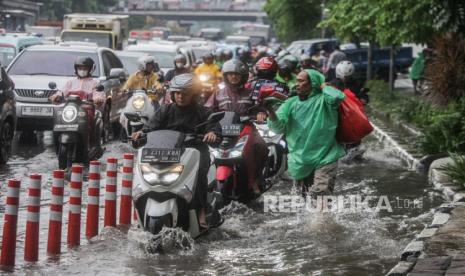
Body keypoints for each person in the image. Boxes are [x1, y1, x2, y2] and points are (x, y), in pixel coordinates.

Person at [132, 73, 220, 229]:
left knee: (199, 174)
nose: (181, 96)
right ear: (172, 94)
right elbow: (150, 128)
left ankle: (200, 211)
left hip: (194, 152)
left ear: (193, 94)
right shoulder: (165, 110)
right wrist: (141, 133)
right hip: (165, 153)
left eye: (185, 93)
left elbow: (213, 128)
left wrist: (211, 134)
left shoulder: (203, 112)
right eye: (177, 93)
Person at [265, 69, 346, 198]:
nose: (297, 84)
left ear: (313, 83)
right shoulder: (290, 103)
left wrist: (323, 85)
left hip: (325, 156)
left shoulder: (325, 101)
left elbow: (337, 96)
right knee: (304, 198)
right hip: (301, 159)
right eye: (296, 80)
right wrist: (270, 111)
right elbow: (278, 128)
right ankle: (313, 218)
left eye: (301, 81)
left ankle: (322, 218)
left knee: (320, 194)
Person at [205, 59, 269, 196]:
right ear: (226, 76)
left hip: (246, 129)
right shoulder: (218, 93)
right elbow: (207, 111)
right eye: (230, 74)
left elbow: (261, 107)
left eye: (237, 74)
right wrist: (209, 127)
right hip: (223, 130)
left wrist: (261, 113)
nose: (233, 77)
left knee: (261, 146)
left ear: (243, 76)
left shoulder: (251, 92)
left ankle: (256, 180)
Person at [49, 57, 106, 155]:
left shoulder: (95, 83)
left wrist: (98, 98)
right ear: (76, 69)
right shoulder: (70, 82)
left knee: (94, 123)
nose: (82, 70)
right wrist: (56, 96)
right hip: (71, 109)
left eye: (85, 68)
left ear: (90, 69)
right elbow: (62, 92)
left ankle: (94, 146)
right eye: (80, 68)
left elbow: (98, 93)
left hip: (86, 110)